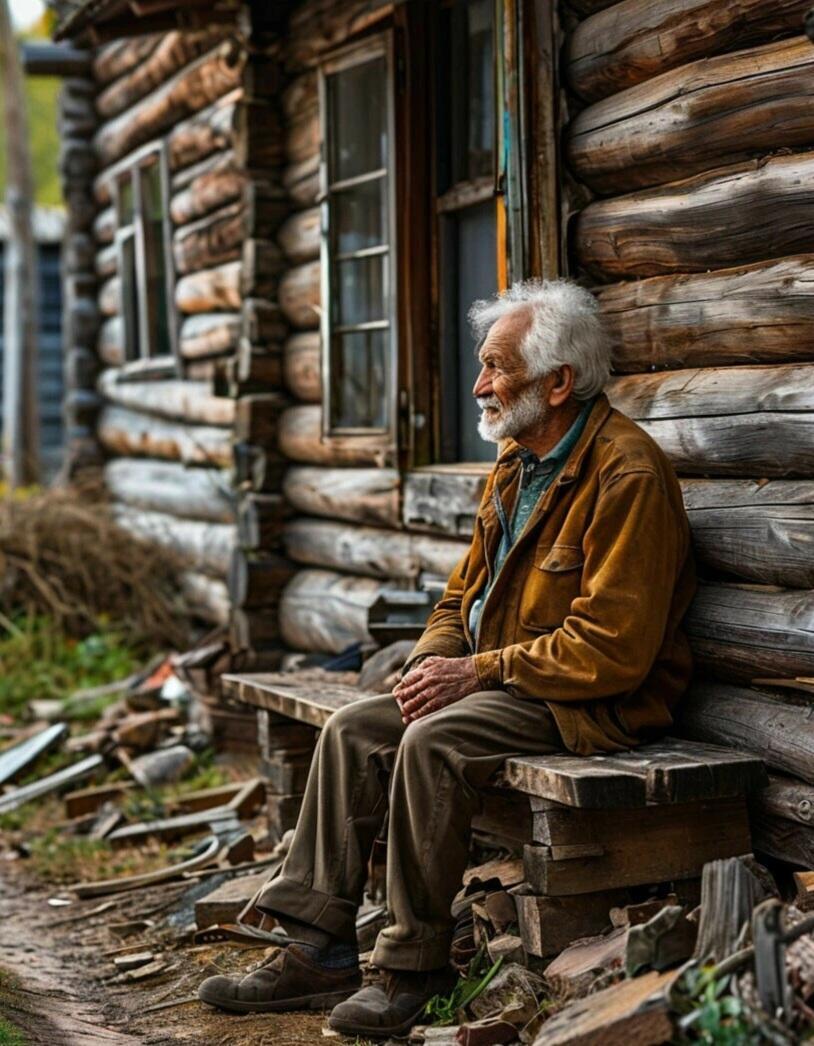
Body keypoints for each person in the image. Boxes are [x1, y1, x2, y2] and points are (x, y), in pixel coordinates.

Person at [198, 278, 696, 1039]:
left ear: (559, 382)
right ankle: (313, 947)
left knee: (434, 743)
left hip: (591, 699)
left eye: (497, 367)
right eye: (484, 365)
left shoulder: (625, 473)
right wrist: (431, 663)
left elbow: (613, 651)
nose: (480, 384)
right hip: (509, 680)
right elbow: (457, 601)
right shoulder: (515, 467)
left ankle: (411, 969)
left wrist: (477, 673)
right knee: (359, 728)